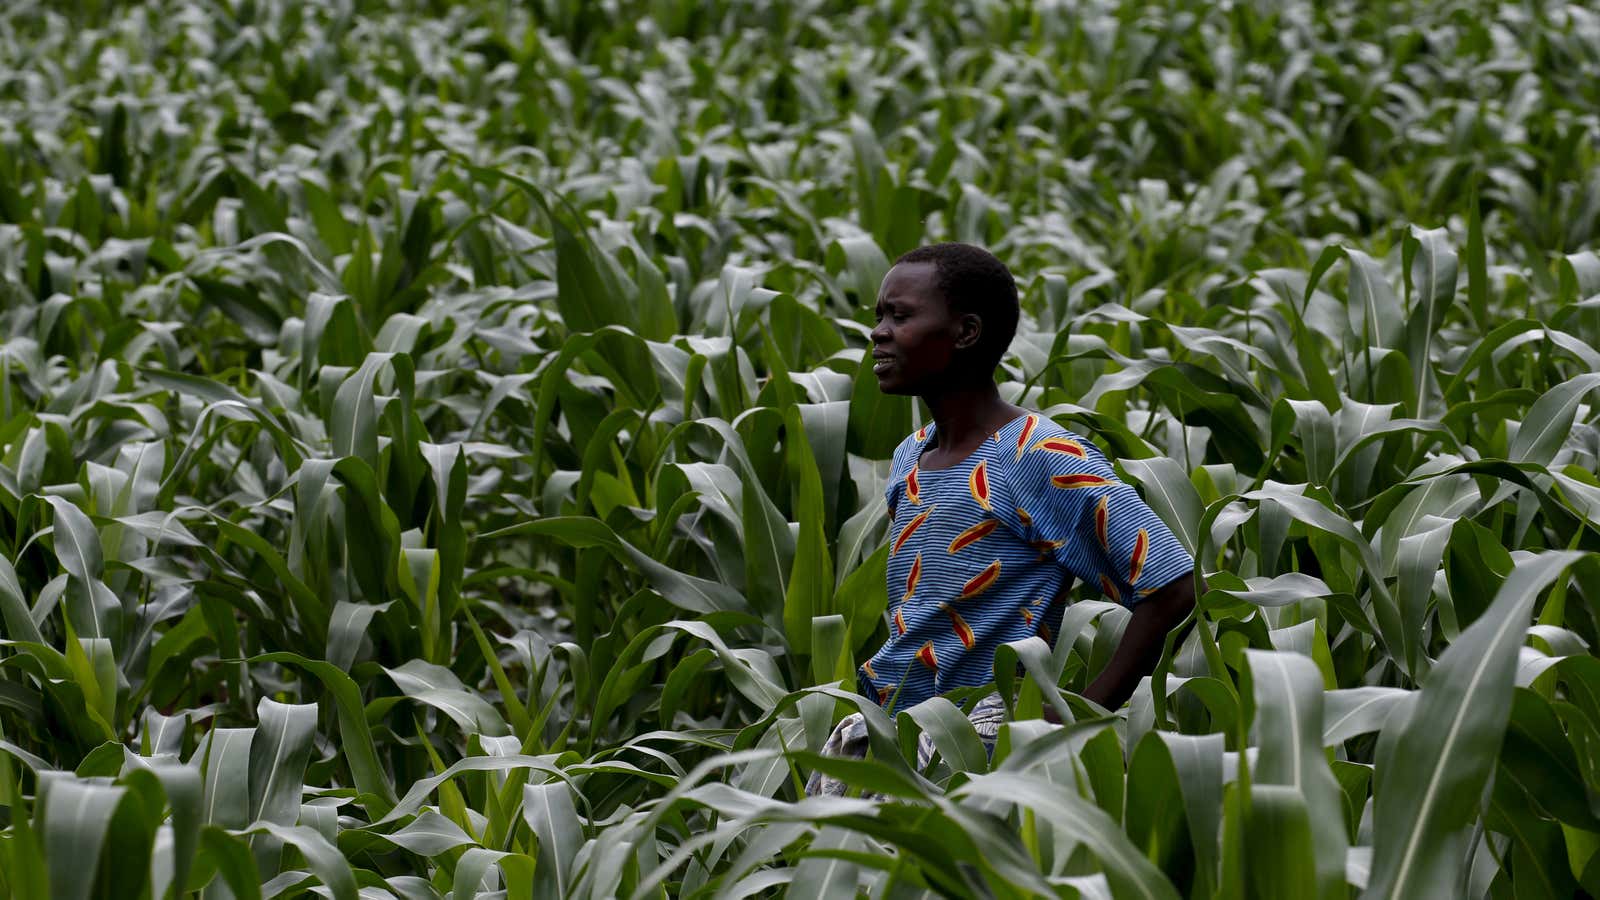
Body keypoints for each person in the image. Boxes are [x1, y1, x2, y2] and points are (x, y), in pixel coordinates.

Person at [807, 242, 1199, 796]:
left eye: (900, 315)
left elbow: (1173, 587)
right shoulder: (910, 456)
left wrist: (1076, 720)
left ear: (966, 332)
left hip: (974, 748)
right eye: (879, 316)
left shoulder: (1036, 455)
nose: (878, 332)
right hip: (892, 724)